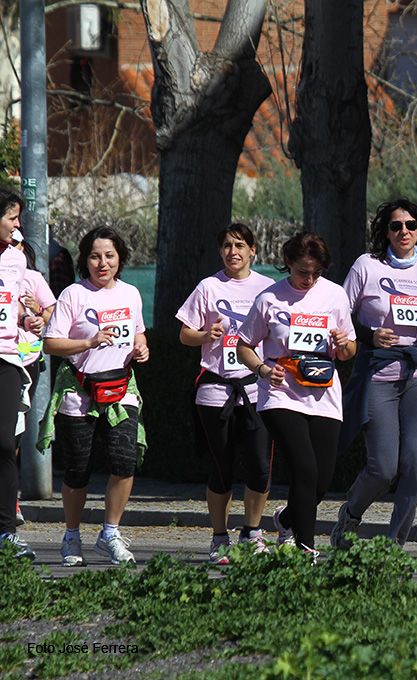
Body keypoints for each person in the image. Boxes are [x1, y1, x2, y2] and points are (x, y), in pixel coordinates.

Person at [331, 199, 417, 549]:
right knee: (383, 467)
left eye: (411, 225)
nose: (404, 232)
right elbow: (338, 313)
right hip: (379, 373)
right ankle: (350, 515)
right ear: (386, 231)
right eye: (396, 226)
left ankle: (393, 546)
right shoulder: (367, 266)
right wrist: (368, 335)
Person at [236, 232, 356, 559]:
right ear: (288, 263)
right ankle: (306, 548)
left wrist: (343, 343)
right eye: (303, 272)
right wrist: (262, 369)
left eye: (316, 272)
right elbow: (243, 345)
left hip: (324, 393)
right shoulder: (270, 298)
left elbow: (348, 351)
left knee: (321, 481)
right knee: (305, 469)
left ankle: (287, 518)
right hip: (281, 393)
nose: (309, 279)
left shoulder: (334, 295)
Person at [41, 226, 149, 566]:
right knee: (77, 470)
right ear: (85, 260)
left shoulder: (131, 293)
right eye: (95, 256)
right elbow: (51, 342)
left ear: (120, 259)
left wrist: (142, 346)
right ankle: (72, 536)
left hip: (120, 390)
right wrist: (87, 342)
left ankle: (110, 533)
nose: (102, 263)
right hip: (80, 391)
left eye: (109, 256)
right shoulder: (74, 294)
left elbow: (139, 332)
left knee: (124, 461)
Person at [176, 223, 275, 564]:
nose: (233, 252)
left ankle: (252, 532)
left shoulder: (268, 287)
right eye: (227, 246)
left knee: (261, 466)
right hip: (216, 390)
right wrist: (206, 335)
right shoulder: (208, 286)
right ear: (220, 251)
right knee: (222, 468)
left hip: (257, 388)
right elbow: (184, 334)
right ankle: (219, 537)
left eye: (240, 245)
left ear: (253, 251)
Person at [12, 231, 57, 527]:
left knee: (13, 432)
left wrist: (39, 313)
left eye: (17, 244)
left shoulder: (32, 277)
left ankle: (9, 500)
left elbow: (52, 312)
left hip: (24, 362)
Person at [0, 190, 34, 560]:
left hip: (7, 358)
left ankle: (6, 532)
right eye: (12, 217)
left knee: (5, 443)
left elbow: (16, 304)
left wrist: (30, 318)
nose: (18, 225)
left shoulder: (17, 259)